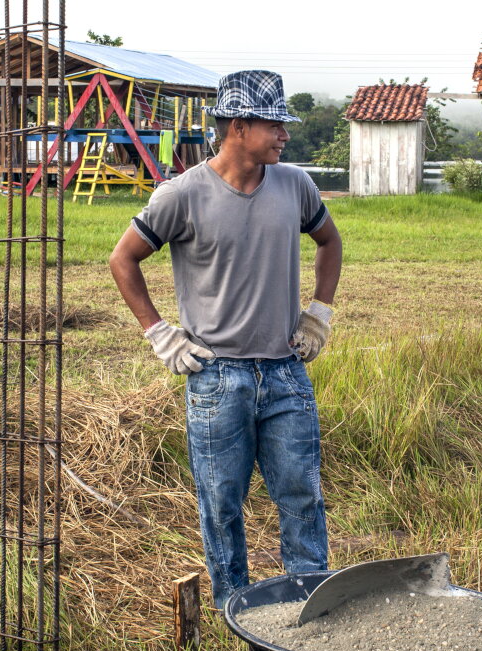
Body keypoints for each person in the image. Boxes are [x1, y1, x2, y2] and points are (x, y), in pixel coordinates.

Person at [108, 70, 343, 608]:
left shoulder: (295, 185)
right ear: (238, 126)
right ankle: (234, 610)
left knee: (302, 497)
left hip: (286, 371)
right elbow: (123, 259)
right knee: (221, 504)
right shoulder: (182, 195)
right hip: (217, 379)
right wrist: (160, 334)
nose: (285, 134)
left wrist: (319, 314)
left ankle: (314, 613)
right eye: (275, 124)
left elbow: (330, 243)